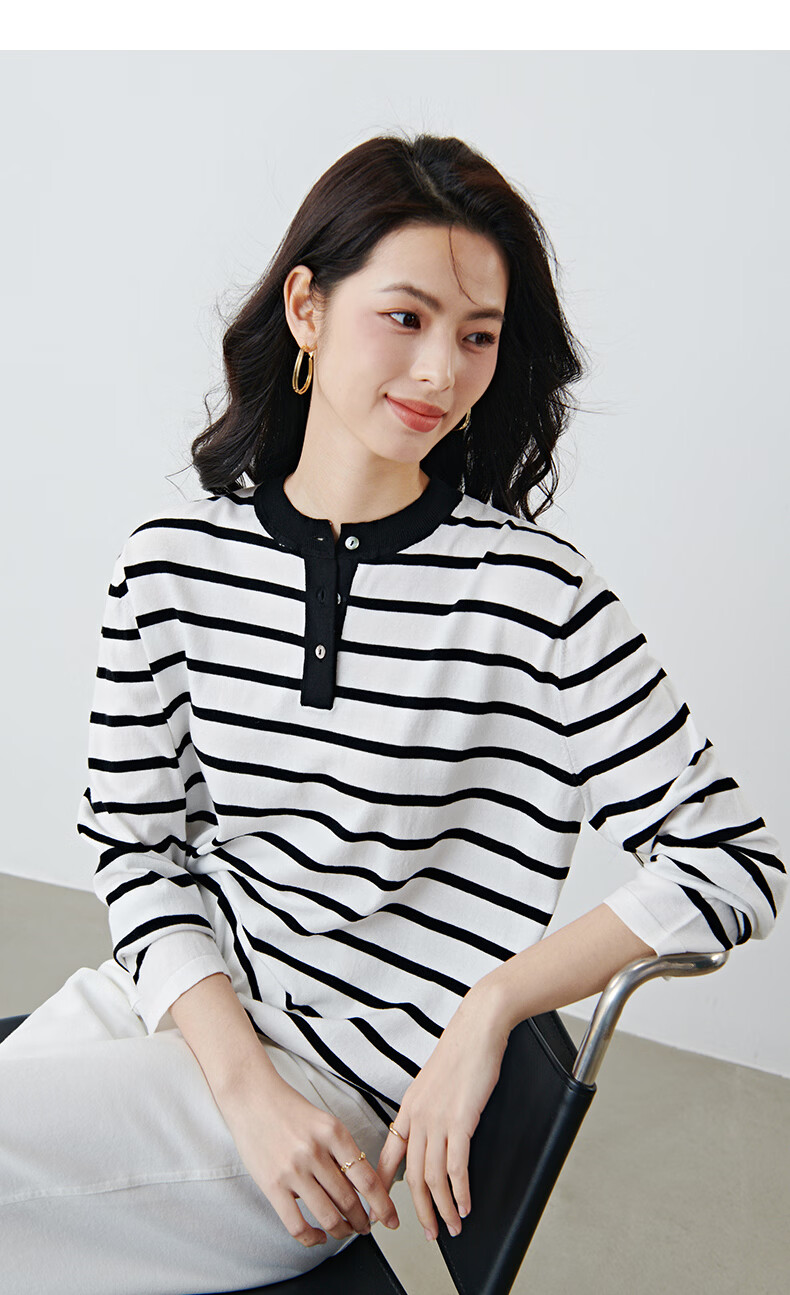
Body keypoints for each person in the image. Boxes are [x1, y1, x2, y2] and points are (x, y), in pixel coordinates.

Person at [0, 132, 785, 1295]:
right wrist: (238, 1082)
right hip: (172, 1017)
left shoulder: (533, 598)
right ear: (307, 308)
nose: (439, 371)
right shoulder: (172, 562)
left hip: (322, 1115)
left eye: (477, 336)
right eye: (406, 317)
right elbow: (136, 847)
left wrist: (492, 1001)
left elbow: (734, 861)